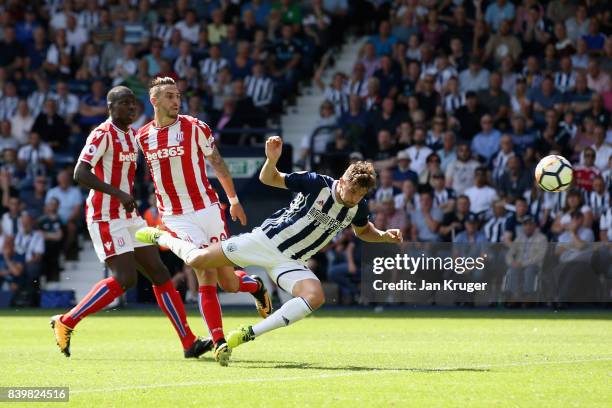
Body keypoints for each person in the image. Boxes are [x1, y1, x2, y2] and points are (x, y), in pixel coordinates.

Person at [135, 136, 402, 358]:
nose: (354, 198)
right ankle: (163, 238)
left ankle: (247, 334)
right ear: (343, 181)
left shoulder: (358, 207)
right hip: (264, 241)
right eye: (352, 191)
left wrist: (384, 236)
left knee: (315, 296)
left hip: (292, 262)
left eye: (360, 195)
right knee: (198, 261)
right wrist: (271, 159)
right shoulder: (315, 183)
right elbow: (270, 178)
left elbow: (364, 231)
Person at [50, 87, 211, 360]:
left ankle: (189, 342)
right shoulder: (101, 134)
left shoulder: (132, 137)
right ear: (110, 106)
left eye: (134, 104)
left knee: (159, 273)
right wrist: (118, 193)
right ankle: (67, 320)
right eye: (125, 104)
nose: (131, 109)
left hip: (129, 216)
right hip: (105, 215)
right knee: (125, 279)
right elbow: (80, 172)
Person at [135, 77, 271, 366]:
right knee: (202, 270)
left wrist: (233, 200)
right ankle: (219, 342)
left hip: (208, 210)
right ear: (154, 101)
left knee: (228, 282)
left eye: (177, 96)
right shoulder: (142, 137)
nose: (176, 101)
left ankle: (255, 286)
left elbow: (218, 162)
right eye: (169, 96)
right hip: (176, 217)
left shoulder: (194, 127)